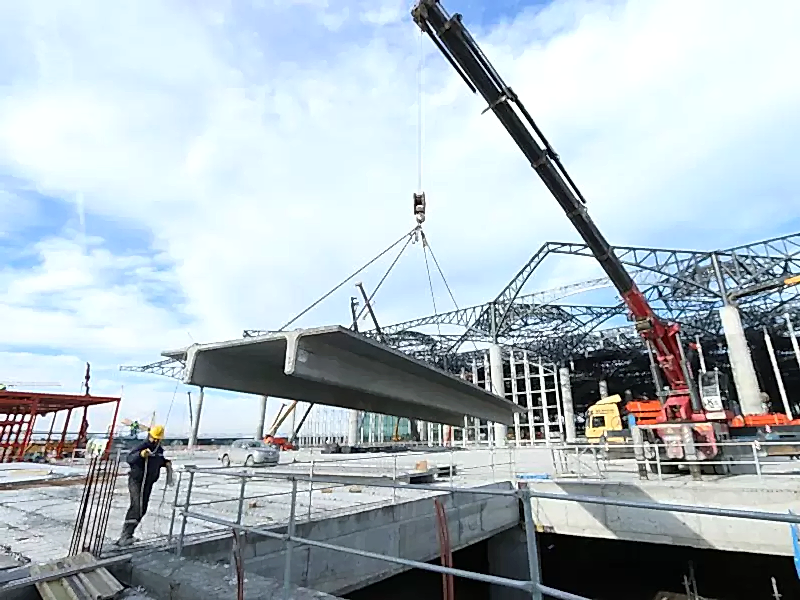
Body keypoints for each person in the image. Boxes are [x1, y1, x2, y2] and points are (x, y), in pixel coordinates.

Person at [116, 424, 170, 546]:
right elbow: (129, 458)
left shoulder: (159, 450)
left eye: (158, 439)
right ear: (150, 435)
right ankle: (125, 536)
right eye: (154, 438)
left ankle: (129, 534)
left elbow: (157, 460)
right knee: (137, 507)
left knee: (143, 508)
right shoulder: (142, 446)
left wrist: (165, 462)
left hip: (148, 482)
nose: (156, 441)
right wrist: (140, 455)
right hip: (137, 481)